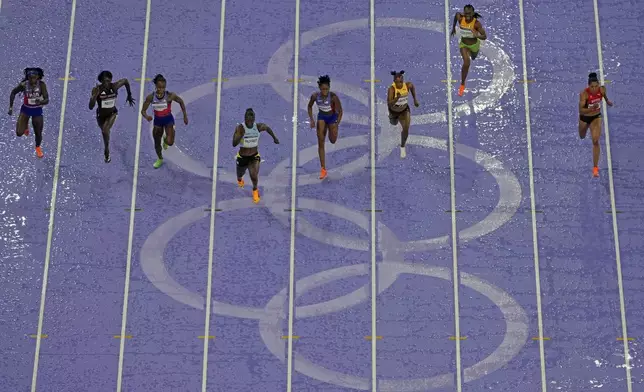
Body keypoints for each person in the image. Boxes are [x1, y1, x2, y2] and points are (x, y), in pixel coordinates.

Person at [141, 74, 188, 169]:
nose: (161, 89)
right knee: (157, 143)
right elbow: (143, 110)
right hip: (157, 122)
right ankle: (160, 159)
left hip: (168, 120)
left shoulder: (170, 96)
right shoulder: (150, 97)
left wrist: (185, 116)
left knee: (170, 142)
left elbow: (181, 101)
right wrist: (146, 117)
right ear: (155, 86)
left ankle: (166, 140)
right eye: (159, 87)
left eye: (163, 87)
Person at [232, 108, 279, 203]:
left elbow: (267, 128)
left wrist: (274, 138)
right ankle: (240, 179)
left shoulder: (258, 127)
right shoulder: (240, 128)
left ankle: (255, 190)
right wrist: (241, 135)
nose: (249, 120)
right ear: (244, 118)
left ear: (254, 119)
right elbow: (234, 143)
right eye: (247, 118)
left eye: (251, 118)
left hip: (254, 156)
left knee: (254, 175)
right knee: (240, 174)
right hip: (242, 157)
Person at [89, 71, 135, 163]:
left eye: (108, 81)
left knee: (105, 130)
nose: (106, 83)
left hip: (112, 114)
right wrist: (94, 96)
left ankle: (106, 151)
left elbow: (125, 81)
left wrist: (129, 95)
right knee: (105, 133)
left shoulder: (114, 86)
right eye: (104, 81)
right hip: (101, 116)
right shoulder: (96, 89)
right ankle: (106, 145)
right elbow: (90, 107)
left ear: (111, 80)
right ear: (101, 81)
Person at [8, 68, 49, 158]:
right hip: (26, 110)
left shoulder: (41, 85)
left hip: (37, 111)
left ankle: (38, 147)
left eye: (34, 78)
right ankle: (25, 124)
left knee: (38, 132)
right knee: (19, 133)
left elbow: (47, 100)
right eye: (30, 78)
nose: (32, 80)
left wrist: (41, 102)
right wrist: (10, 107)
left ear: (38, 77)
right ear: (28, 77)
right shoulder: (23, 85)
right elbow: (13, 92)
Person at [307, 75, 343, 179]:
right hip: (322, 116)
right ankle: (323, 169)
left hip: (332, 118)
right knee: (321, 142)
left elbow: (340, 111)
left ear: (329, 88)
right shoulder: (315, 96)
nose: (325, 91)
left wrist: (337, 124)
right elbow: (309, 106)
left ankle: (330, 128)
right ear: (319, 88)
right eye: (323, 89)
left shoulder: (333, 97)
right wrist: (312, 119)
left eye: (326, 89)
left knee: (332, 140)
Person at [579, 72, 613, 177]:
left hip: (596, 117)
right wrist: (591, 109)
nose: (594, 88)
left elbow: (604, 96)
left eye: (596, 86)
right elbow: (581, 111)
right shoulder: (584, 94)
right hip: (585, 118)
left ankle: (595, 168)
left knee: (595, 140)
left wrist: (607, 101)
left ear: (598, 84)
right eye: (592, 87)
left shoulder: (602, 89)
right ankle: (587, 128)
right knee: (582, 136)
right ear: (588, 86)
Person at [451, 4, 487, 96]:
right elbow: (456, 15)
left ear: (473, 13)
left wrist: (477, 35)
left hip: (474, 45)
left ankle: (473, 54)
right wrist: (453, 28)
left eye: (469, 14)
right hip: (464, 44)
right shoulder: (460, 18)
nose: (467, 15)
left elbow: (484, 36)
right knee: (467, 62)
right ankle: (462, 84)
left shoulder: (476, 24)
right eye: (466, 13)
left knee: (474, 57)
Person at [387, 70, 419, 158]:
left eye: (400, 82)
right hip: (394, 112)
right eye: (397, 82)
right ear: (394, 82)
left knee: (406, 129)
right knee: (393, 123)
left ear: (403, 81)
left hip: (404, 110)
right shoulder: (392, 89)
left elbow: (412, 87)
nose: (399, 84)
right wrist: (396, 98)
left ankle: (402, 147)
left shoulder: (407, 85)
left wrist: (415, 99)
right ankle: (391, 118)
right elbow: (389, 104)